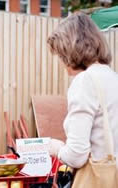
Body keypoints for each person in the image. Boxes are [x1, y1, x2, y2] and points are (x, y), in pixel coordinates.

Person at [47, 12, 118, 169]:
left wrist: (55, 147)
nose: (61, 62)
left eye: (60, 54)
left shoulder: (85, 81)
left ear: (70, 50)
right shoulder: (113, 77)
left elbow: (76, 156)